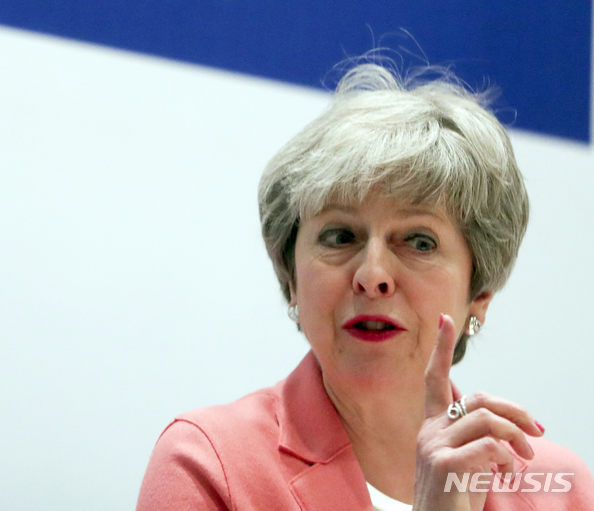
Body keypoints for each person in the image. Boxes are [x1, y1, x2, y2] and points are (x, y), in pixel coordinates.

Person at [136, 62, 593, 510]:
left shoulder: (561, 491)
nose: (372, 275)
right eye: (340, 236)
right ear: (292, 280)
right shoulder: (208, 465)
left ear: (480, 294)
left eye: (419, 241)